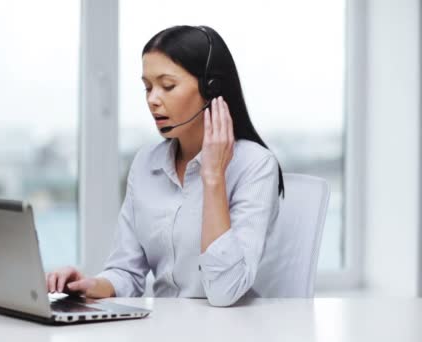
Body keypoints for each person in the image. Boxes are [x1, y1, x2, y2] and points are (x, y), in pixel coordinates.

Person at [46, 25, 285, 307]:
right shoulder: (146, 163)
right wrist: (90, 285)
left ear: (211, 88)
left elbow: (225, 291)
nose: (152, 99)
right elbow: (127, 271)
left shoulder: (255, 166)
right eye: (147, 87)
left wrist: (213, 177)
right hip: (162, 328)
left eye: (167, 86)